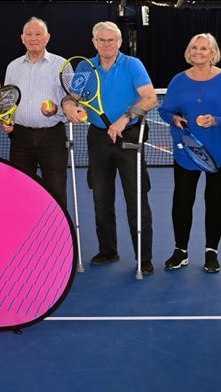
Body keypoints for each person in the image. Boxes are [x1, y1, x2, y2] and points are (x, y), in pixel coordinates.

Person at [62, 21, 158, 275]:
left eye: (111, 40)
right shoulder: (86, 67)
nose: (107, 44)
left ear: (119, 42)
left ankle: (144, 258)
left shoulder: (132, 65)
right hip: (98, 139)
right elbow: (72, 97)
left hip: (129, 136)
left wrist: (124, 119)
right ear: (94, 43)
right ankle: (108, 250)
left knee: (136, 199)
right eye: (102, 40)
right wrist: (70, 107)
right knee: (101, 198)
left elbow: (150, 98)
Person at [157, 33, 221, 274]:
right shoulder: (178, 81)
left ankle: (211, 251)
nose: (198, 52)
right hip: (187, 152)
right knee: (182, 201)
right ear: (188, 52)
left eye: (204, 49)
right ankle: (180, 250)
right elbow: (165, 111)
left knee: (215, 201)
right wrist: (173, 118)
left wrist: (216, 121)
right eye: (194, 48)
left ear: (213, 53)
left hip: (220, 152)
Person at [0, 18, 69, 210]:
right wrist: (8, 120)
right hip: (21, 139)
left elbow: (72, 100)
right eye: (29, 35)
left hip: (53, 138)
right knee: (20, 190)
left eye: (38, 34)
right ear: (22, 39)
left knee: (56, 192)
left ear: (47, 38)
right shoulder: (13, 67)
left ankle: (58, 236)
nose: (33, 38)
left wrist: (56, 109)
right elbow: (8, 100)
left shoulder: (62, 65)